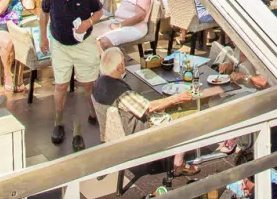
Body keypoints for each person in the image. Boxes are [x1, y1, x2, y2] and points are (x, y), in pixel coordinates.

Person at [92, 46, 223, 179]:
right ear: (120, 66)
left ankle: (173, 150)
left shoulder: (98, 83)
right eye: (124, 61)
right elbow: (149, 108)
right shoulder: (121, 93)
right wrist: (177, 98)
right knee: (189, 116)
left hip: (120, 131)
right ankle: (178, 163)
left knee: (167, 103)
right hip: (139, 132)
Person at [39, 0, 104, 150]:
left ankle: (81, 127)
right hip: (60, 44)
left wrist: (88, 22)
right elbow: (43, 13)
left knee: (86, 86)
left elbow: (99, 11)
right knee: (61, 85)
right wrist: (43, 37)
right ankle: (58, 123)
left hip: (83, 44)